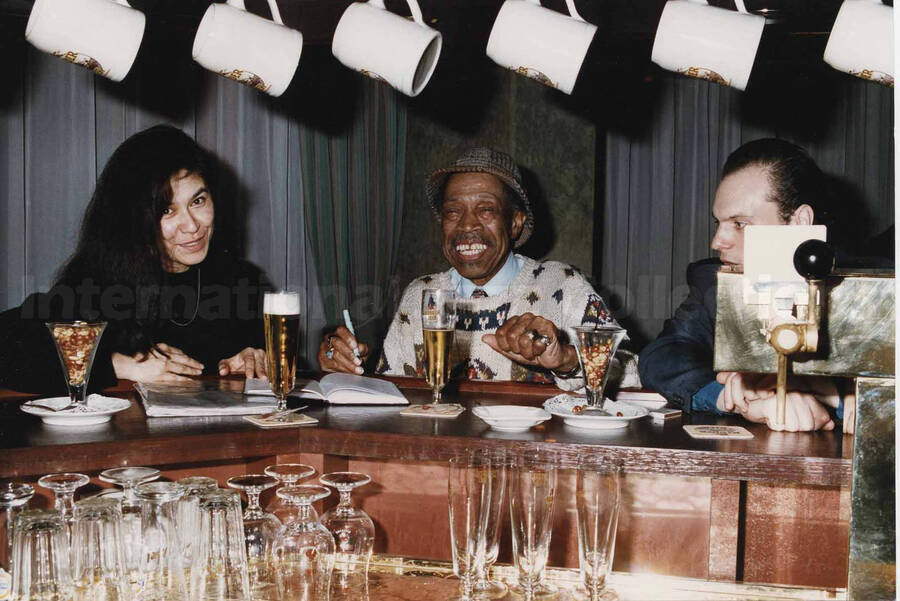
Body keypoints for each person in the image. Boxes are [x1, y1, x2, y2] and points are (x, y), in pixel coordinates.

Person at [318, 147, 638, 390]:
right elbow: (392, 394)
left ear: (514, 223)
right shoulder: (421, 295)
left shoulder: (563, 284)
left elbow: (629, 373)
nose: (467, 225)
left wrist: (565, 359)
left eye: (485, 210)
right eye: (453, 212)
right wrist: (346, 369)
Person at [0, 125, 270, 395]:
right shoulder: (96, 281)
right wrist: (121, 365)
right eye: (167, 210)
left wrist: (256, 359)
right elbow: (10, 349)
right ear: (133, 219)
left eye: (198, 201)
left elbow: (267, 359)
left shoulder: (240, 279)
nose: (191, 226)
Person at [639, 138, 850, 432]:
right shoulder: (715, 284)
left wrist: (838, 398)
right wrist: (735, 396)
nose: (717, 242)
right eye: (719, 223)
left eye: (740, 224)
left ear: (800, 222)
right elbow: (661, 357)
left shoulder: (869, 292)